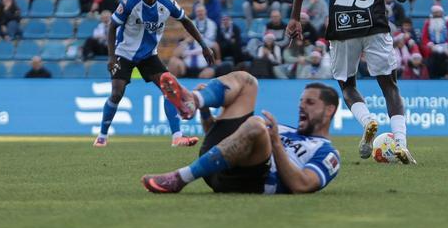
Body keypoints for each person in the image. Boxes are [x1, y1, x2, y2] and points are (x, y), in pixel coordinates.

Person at [287, 0, 413, 164]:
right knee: (389, 86)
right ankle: (400, 142)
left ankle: (367, 121)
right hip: (375, 25)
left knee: (347, 84)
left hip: (342, 27)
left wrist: (294, 16)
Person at [142, 72, 340, 195]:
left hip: (254, 181)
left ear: (329, 110)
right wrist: (205, 113)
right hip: (221, 169)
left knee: (256, 124)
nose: (301, 107)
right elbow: (225, 146)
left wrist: (276, 143)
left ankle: (179, 178)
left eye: (310, 103)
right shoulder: (284, 128)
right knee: (248, 81)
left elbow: (302, 185)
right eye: (301, 102)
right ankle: (193, 101)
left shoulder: (327, 152)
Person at [94, 0, 215, 148]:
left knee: (170, 88)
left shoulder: (167, 4)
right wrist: (111, 57)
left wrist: (204, 46)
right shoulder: (129, 3)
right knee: (117, 93)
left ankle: (177, 137)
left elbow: (187, 21)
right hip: (124, 53)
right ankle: (102, 136)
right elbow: (112, 26)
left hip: (149, 55)